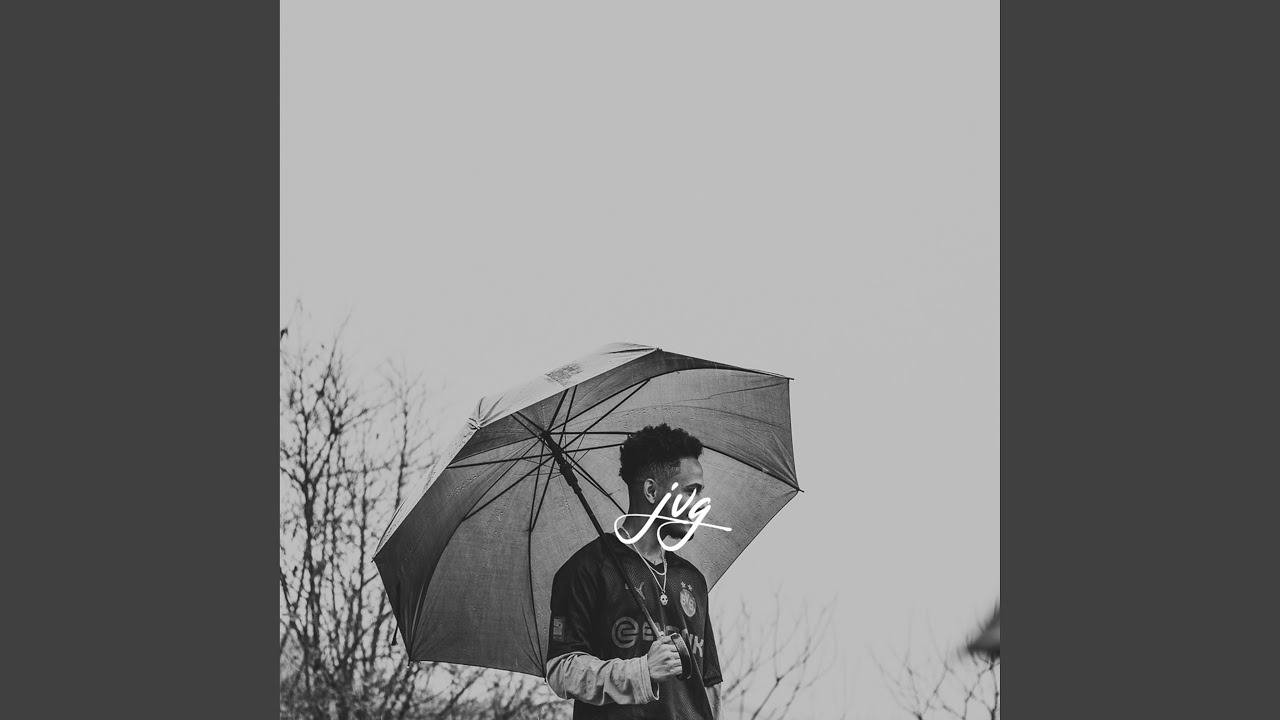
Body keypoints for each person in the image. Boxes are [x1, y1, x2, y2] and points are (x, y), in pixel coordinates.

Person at [545, 424, 723, 719]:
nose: (699, 504)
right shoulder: (588, 568)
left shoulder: (692, 579)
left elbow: (709, 683)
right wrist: (642, 671)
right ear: (652, 491)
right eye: (690, 491)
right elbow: (561, 670)